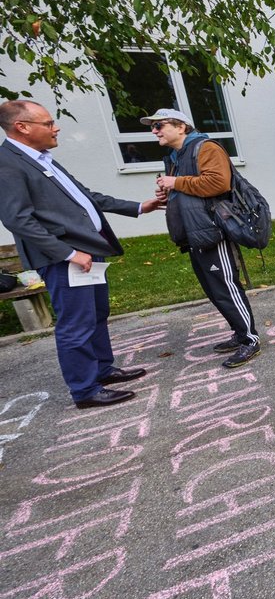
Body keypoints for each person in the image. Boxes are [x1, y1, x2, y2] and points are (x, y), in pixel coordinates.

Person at [0, 100, 162, 408]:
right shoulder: (7, 163)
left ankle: (102, 369)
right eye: (48, 123)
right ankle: (85, 390)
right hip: (65, 258)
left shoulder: (42, 158)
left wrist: (139, 207)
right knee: (75, 324)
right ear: (22, 127)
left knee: (96, 314)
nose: (56, 127)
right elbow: (17, 219)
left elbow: (85, 197)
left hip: (87, 249)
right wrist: (68, 253)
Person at [148, 109, 261, 368]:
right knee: (214, 290)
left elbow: (218, 183)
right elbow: (189, 189)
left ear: (181, 127)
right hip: (193, 232)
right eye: (152, 127)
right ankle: (239, 333)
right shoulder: (176, 156)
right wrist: (169, 193)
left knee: (226, 287)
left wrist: (176, 183)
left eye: (159, 125)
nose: (154, 131)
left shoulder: (206, 148)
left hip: (211, 230)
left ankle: (250, 339)